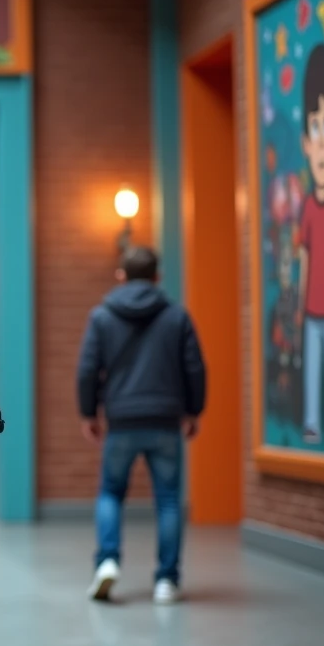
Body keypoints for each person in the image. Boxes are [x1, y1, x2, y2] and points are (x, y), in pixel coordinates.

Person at [77, 246, 207, 604]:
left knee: (111, 493)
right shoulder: (177, 316)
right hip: (165, 420)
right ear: (157, 278)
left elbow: (88, 369)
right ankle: (167, 580)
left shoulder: (102, 316)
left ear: (121, 275)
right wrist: (193, 411)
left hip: (121, 420)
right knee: (167, 500)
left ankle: (106, 562)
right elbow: (194, 367)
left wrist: (90, 413)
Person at [298, 44, 324, 445]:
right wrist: (298, 305)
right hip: (312, 307)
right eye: (316, 128)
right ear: (306, 143)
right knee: (313, 364)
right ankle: (312, 421)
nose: (323, 142)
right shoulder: (308, 206)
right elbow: (305, 255)